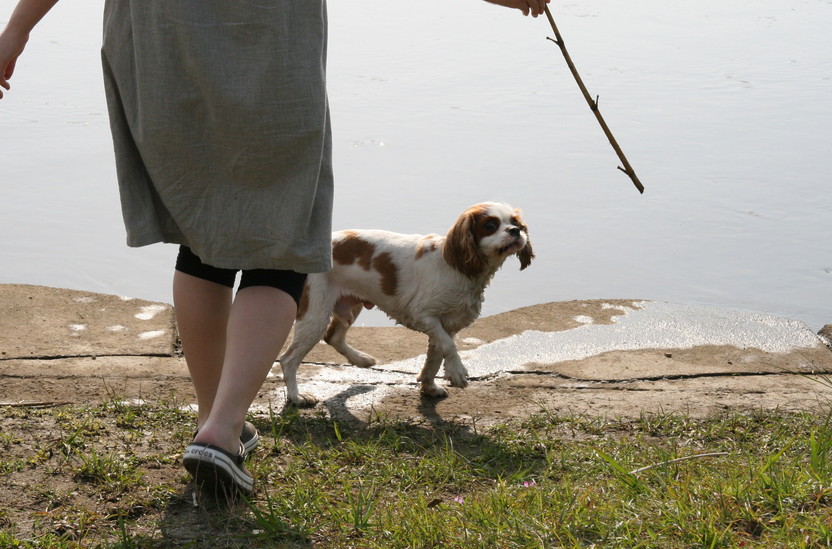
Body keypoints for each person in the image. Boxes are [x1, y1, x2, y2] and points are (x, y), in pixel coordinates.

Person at [0, 0, 550, 495]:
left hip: (159, 47)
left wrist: (17, 30)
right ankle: (222, 430)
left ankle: (212, 421)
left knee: (203, 242)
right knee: (283, 249)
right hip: (269, 49)